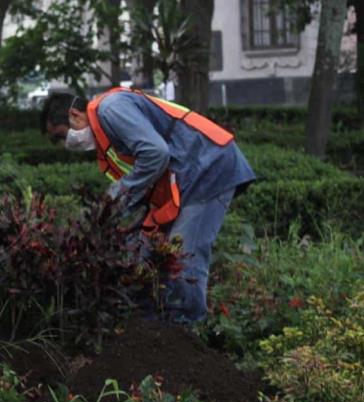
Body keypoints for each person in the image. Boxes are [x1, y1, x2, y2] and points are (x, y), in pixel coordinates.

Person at [40, 88, 255, 322]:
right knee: (146, 250)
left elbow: (155, 154)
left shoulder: (111, 109)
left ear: (74, 114)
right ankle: (152, 325)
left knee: (181, 256)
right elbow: (145, 179)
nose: (64, 144)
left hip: (208, 168)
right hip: (187, 176)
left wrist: (115, 197)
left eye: (60, 136)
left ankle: (188, 330)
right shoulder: (107, 132)